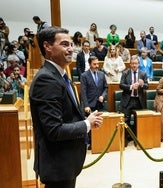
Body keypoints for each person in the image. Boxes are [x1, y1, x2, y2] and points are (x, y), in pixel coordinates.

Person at [29, 26, 103, 188]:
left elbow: (67, 115)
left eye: (70, 44)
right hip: (58, 164)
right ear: (47, 47)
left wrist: (86, 122)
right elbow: (54, 130)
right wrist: (87, 124)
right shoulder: (46, 80)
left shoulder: (61, 75)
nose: (70, 49)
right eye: (64, 44)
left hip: (66, 162)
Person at [119, 55, 148, 145]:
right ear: (130, 64)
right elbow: (121, 85)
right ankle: (125, 140)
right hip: (128, 100)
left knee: (138, 121)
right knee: (126, 120)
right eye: (132, 63)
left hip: (139, 100)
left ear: (138, 64)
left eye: (135, 63)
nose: (134, 65)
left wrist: (143, 85)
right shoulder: (125, 73)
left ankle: (137, 140)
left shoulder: (143, 74)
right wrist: (131, 87)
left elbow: (147, 86)